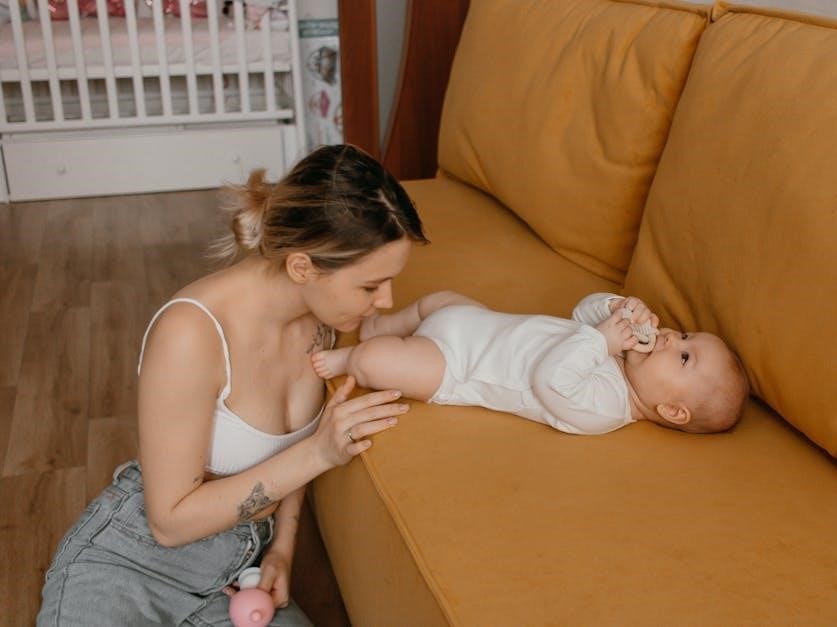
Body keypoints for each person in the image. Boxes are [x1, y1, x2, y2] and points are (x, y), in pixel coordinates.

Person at [37, 144, 428, 626]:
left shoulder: (323, 322)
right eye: (370, 286)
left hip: (239, 575)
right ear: (302, 267)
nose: (385, 300)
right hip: (132, 564)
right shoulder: (191, 333)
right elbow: (169, 523)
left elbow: (292, 454)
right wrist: (321, 452)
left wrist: (282, 550)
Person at [311, 291, 749, 435]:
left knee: (377, 361)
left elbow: (550, 379)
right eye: (685, 334)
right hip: (479, 321)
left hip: (456, 366)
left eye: (684, 355)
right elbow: (580, 314)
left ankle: (353, 355)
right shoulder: (619, 352)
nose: (671, 338)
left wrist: (603, 339)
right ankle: (381, 325)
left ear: (672, 410)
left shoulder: (606, 408)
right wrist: (614, 307)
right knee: (437, 302)